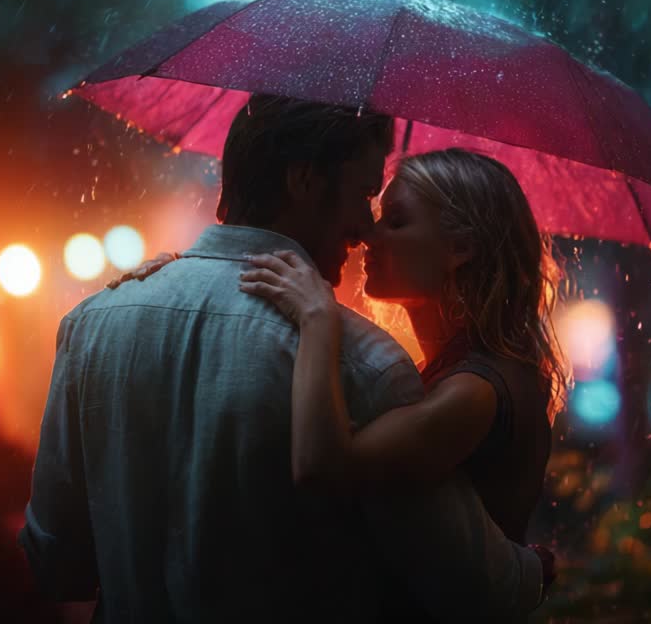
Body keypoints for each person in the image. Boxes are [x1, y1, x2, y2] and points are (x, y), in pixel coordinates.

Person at [20, 94, 550, 623]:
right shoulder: (366, 366)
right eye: (365, 195)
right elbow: (475, 587)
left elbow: (58, 565)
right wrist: (537, 569)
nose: (367, 229)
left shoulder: (93, 322)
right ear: (304, 181)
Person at [239, 149, 566, 619]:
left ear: (460, 248)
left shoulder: (476, 390)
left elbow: (322, 467)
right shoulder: (459, 370)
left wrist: (317, 319)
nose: (367, 235)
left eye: (395, 221)